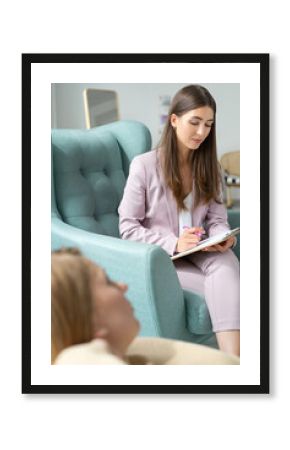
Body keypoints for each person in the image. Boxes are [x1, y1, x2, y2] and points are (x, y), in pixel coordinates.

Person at [118, 84, 240, 357]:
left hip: (201, 251)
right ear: (174, 120)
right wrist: (175, 243)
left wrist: (222, 236)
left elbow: (217, 218)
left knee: (228, 263)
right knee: (232, 286)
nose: (202, 132)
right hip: (164, 257)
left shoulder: (210, 166)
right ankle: (235, 364)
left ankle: (234, 364)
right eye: (194, 122)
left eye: (208, 124)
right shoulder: (144, 165)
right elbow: (127, 227)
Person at [51, 248, 239, 365]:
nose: (123, 285)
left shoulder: (136, 355)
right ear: (90, 318)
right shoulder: (80, 360)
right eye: (108, 282)